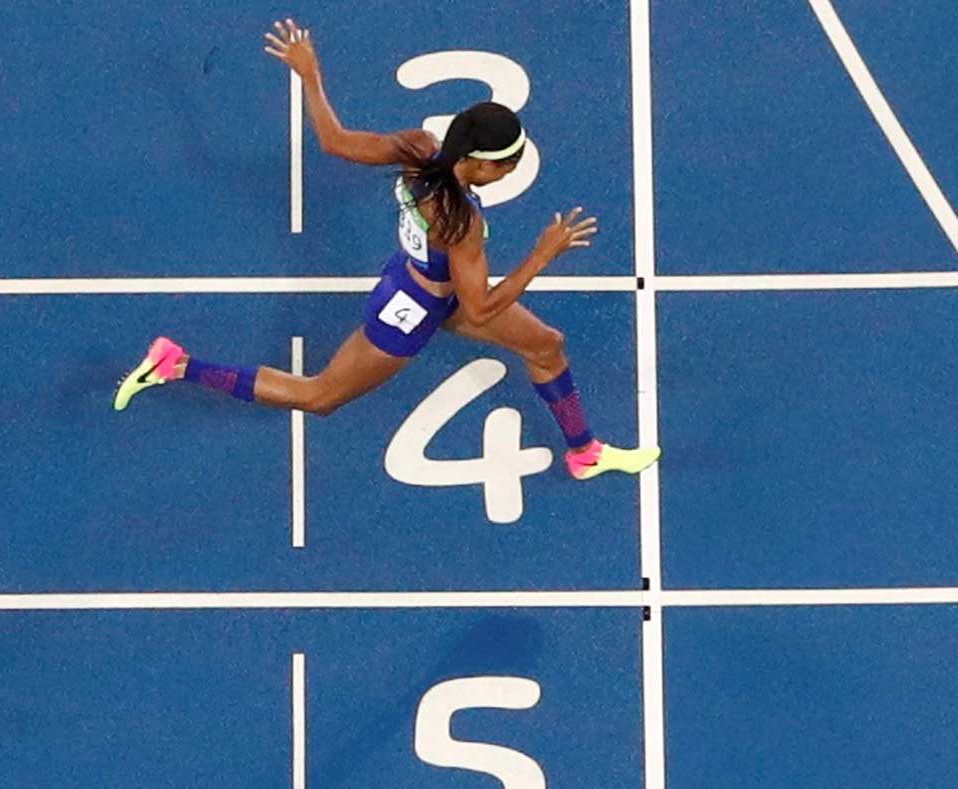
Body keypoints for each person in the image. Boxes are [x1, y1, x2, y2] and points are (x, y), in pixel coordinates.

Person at [112, 19, 656, 482]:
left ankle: (584, 452)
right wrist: (543, 253)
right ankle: (177, 365)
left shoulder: (418, 148)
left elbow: (335, 142)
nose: (511, 173)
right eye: (507, 165)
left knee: (546, 345)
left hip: (425, 280)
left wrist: (309, 74)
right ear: (481, 164)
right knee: (319, 397)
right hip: (415, 309)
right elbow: (483, 307)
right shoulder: (459, 222)